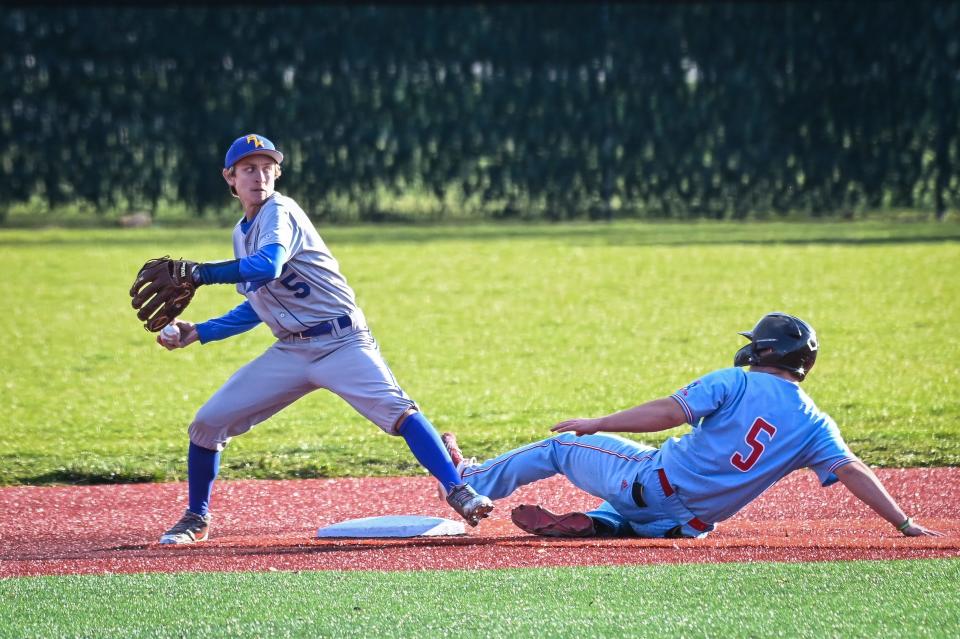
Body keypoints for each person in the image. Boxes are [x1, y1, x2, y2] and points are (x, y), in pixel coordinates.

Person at [154, 133, 493, 544]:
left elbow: (268, 264)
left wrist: (200, 273)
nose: (258, 176)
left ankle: (459, 490)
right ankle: (196, 517)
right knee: (207, 424)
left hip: (342, 342)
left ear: (277, 173)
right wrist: (201, 332)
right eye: (248, 169)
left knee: (399, 411)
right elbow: (258, 304)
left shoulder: (281, 211)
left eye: (266, 168)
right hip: (292, 350)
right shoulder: (241, 232)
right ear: (230, 178)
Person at [440, 312, 942, 539]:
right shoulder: (815, 422)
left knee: (563, 447)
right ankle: (601, 524)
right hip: (687, 527)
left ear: (764, 351)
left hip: (649, 482)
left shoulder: (736, 381)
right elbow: (852, 470)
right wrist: (903, 521)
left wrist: (598, 422)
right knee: (626, 507)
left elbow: (665, 414)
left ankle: (471, 481)